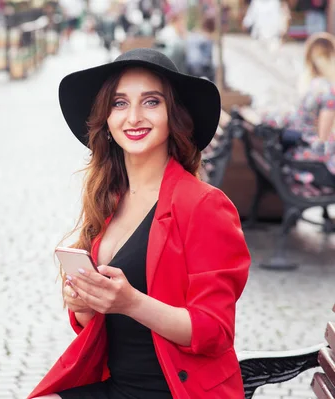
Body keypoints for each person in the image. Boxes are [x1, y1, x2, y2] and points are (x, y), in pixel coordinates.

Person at [28, 48, 251, 399]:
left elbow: (215, 330)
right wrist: (86, 305)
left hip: (179, 391)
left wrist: (131, 302)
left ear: (172, 115)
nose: (133, 117)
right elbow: (109, 328)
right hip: (118, 387)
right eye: (119, 103)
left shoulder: (205, 205)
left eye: (150, 102)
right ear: (106, 118)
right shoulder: (110, 200)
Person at [258, 32, 335, 195]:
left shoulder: (313, 85)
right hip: (306, 160)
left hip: (293, 155)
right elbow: (322, 139)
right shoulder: (329, 91)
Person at [185, 15, 216, 82]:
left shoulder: (193, 34)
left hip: (189, 66)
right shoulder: (207, 39)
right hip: (201, 67)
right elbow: (208, 58)